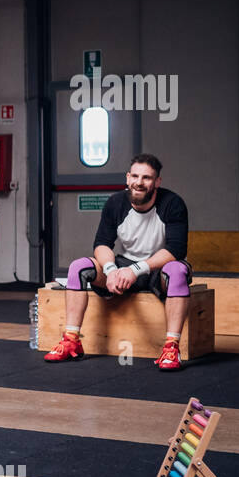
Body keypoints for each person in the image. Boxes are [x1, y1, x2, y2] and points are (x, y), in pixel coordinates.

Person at [45, 154, 191, 371]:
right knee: (79, 267)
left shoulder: (173, 203)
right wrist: (111, 270)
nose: (139, 182)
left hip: (157, 268)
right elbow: (102, 243)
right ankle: (71, 340)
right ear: (127, 177)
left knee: (178, 270)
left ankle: (171, 347)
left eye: (147, 178)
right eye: (135, 176)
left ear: (157, 182)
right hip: (123, 266)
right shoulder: (115, 203)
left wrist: (136, 269)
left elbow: (176, 250)